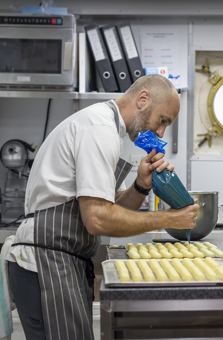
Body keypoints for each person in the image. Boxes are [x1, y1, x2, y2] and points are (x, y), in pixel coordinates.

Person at [6, 74, 200, 340]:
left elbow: (106, 207)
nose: (161, 132)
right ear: (143, 99)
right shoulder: (98, 129)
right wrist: (168, 219)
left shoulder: (105, 126)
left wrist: (140, 187)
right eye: (163, 120)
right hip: (47, 265)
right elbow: (97, 219)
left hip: (62, 262)